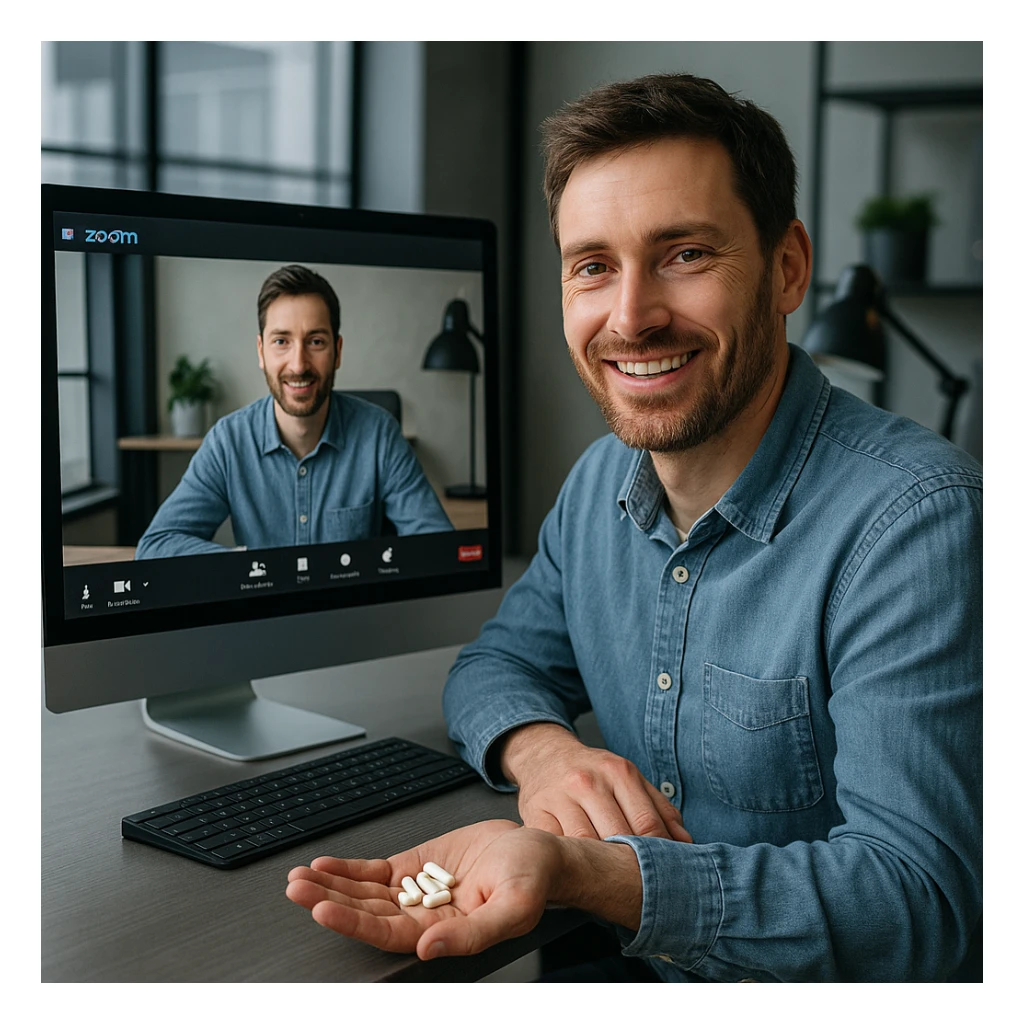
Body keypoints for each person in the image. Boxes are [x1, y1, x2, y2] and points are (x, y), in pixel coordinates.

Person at [284, 73, 981, 982]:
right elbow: (495, 665)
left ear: (787, 267)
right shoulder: (597, 483)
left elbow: (916, 905)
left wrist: (596, 875)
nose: (631, 317)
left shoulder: (917, 523)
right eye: (593, 266)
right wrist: (543, 754)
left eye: (685, 254)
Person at [135, 265, 452, 558]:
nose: (299, 365)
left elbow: (437, 545)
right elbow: (156, 545)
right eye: (281, 341)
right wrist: (246, 567)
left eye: (316, 342)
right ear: (261, 352)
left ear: (337, 351)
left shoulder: (379, 434)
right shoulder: (228, 442)